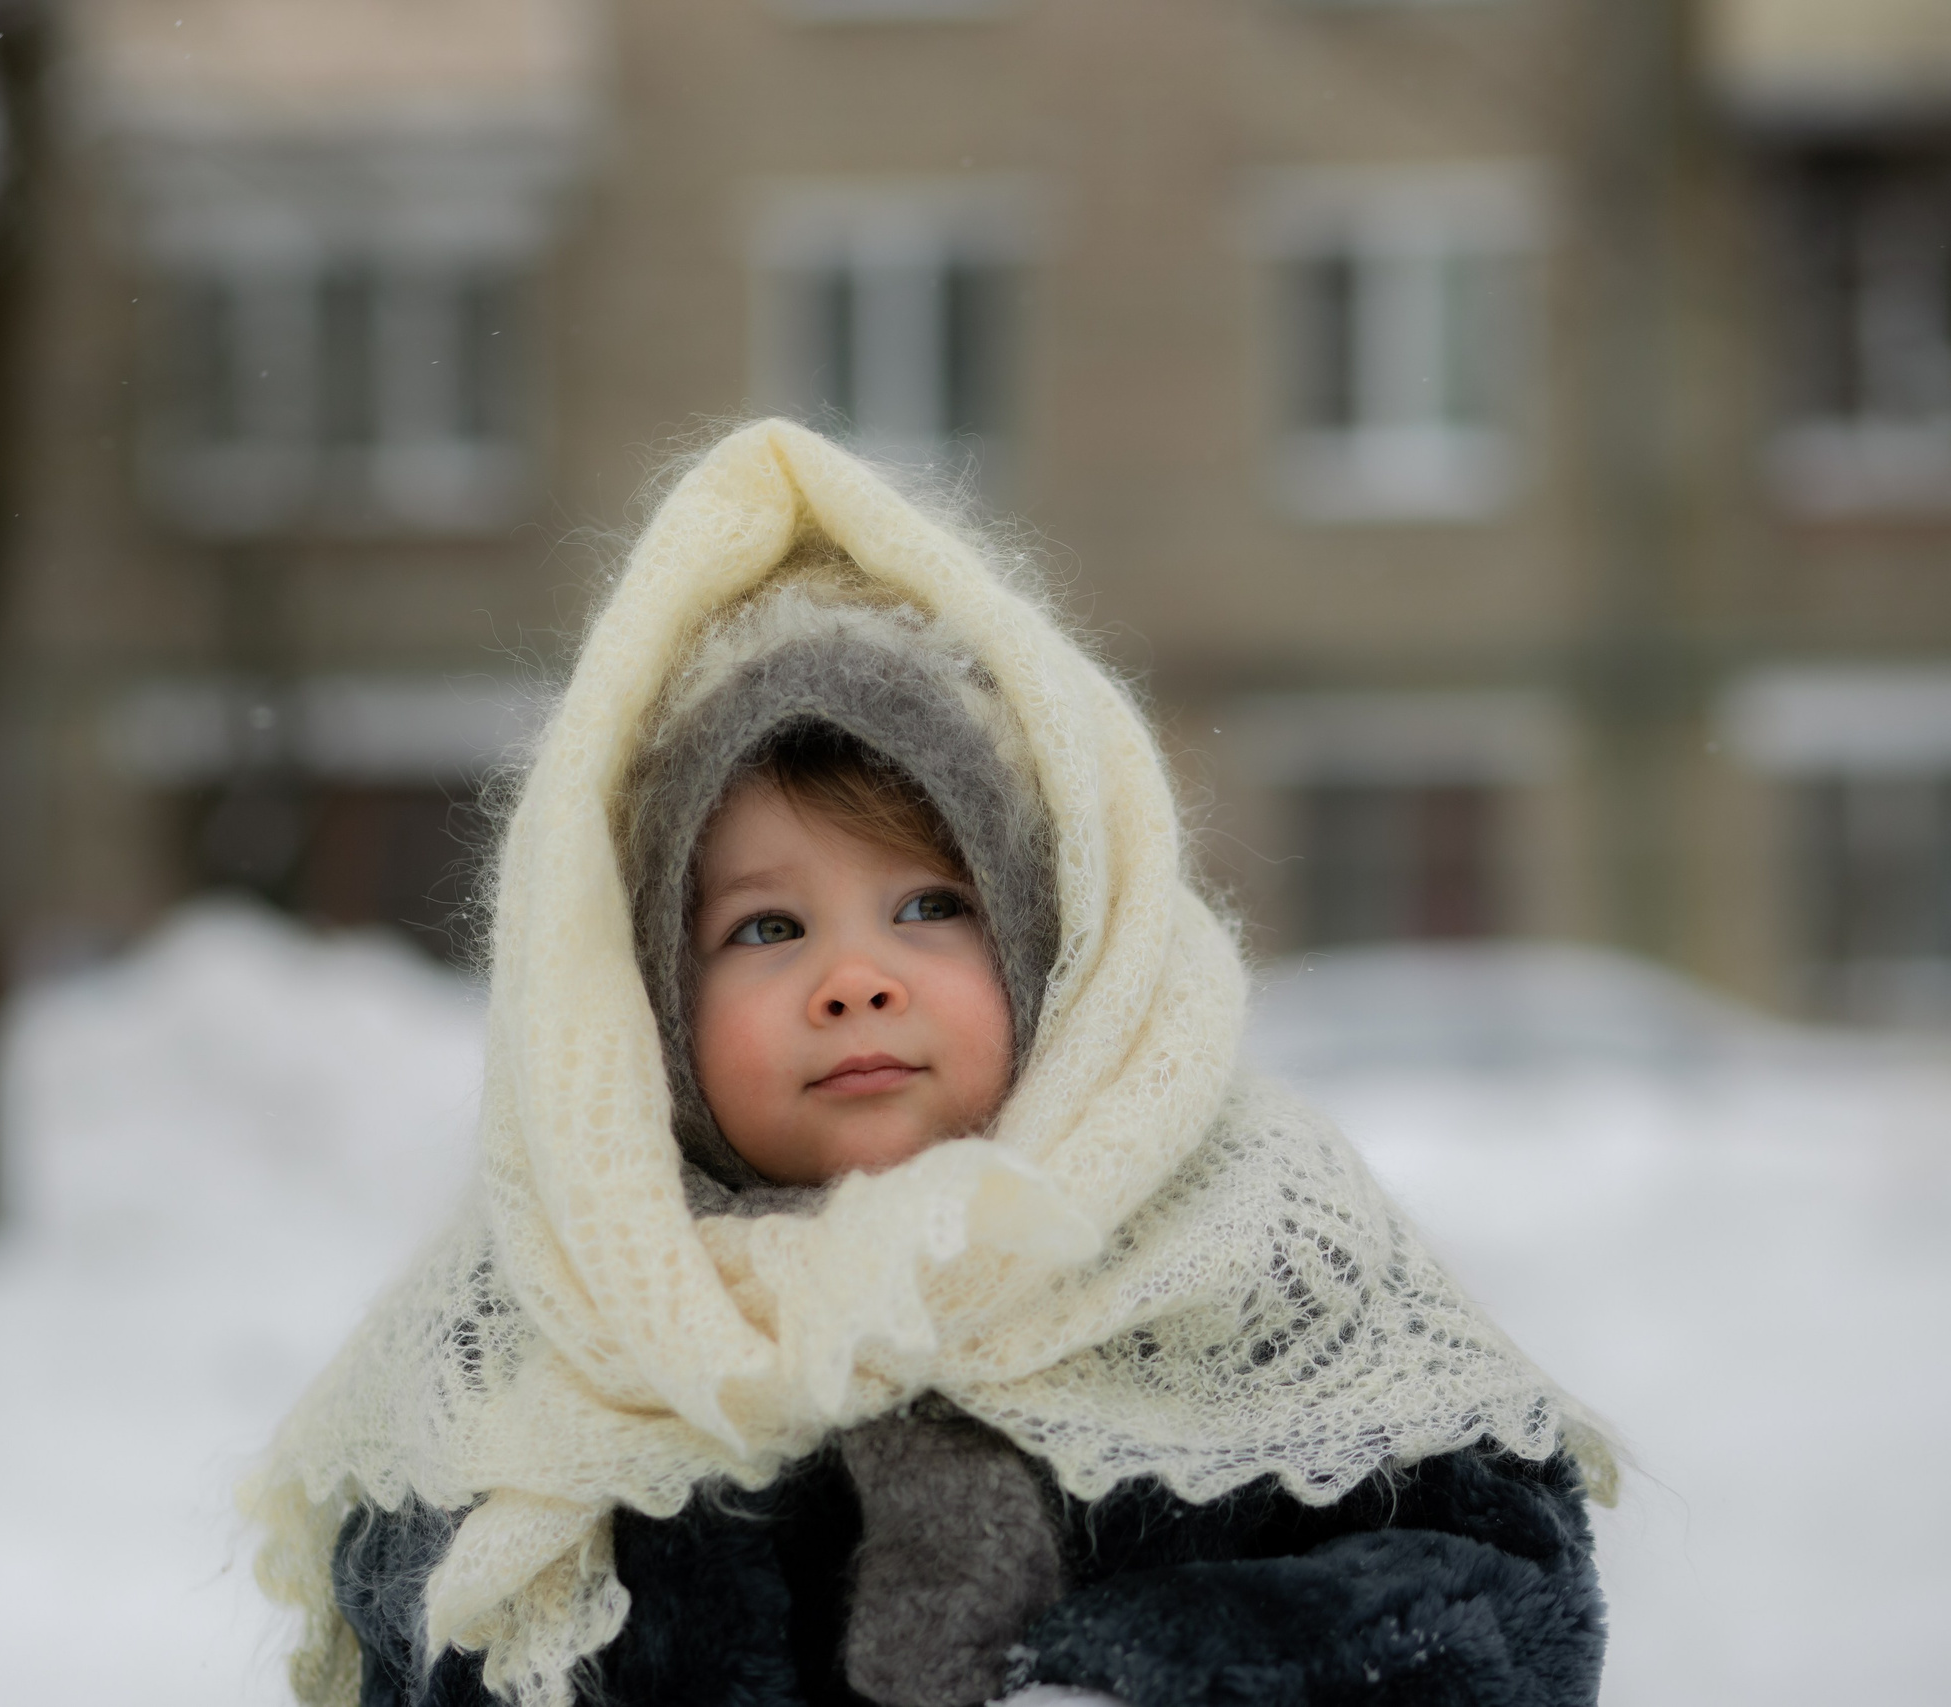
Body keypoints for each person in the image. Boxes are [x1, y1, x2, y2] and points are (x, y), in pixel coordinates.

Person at [242, 420, 1614, 1707]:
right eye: (767, 928)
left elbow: (1500, 1603)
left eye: (928, 906)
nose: (856, 979)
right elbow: (414, 1634)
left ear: (1044, 938)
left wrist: (1136, 1670)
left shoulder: (1243, 1233)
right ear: (644, 1001)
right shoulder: (553, 1296)